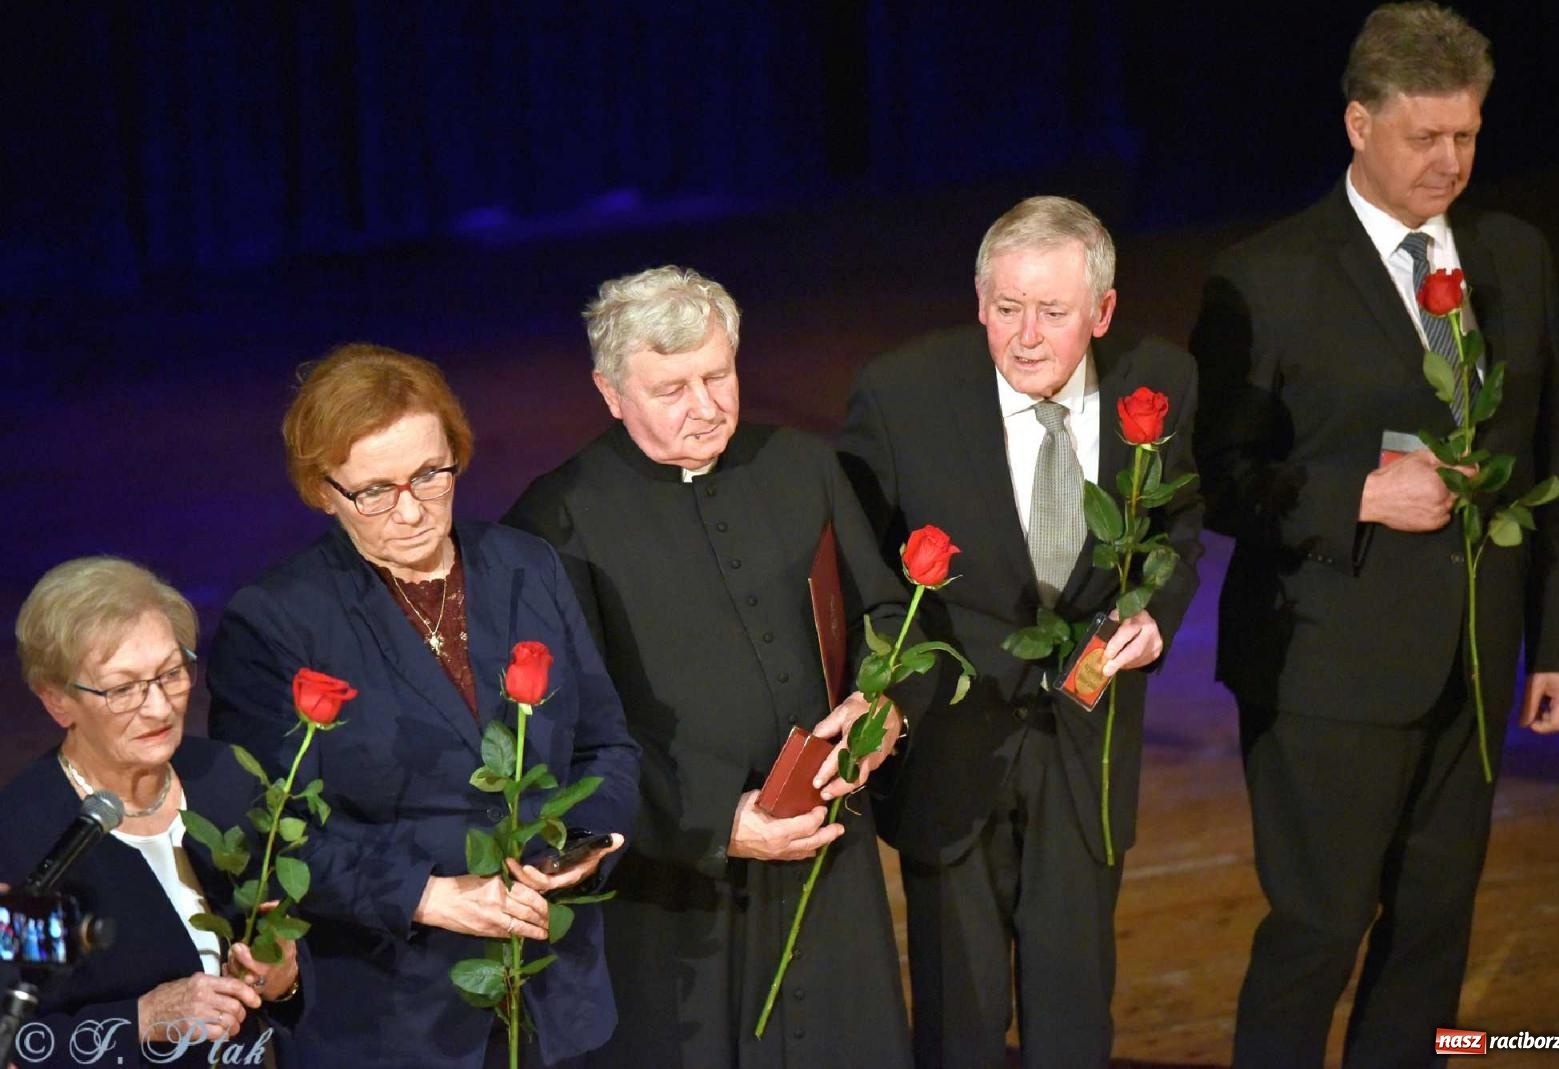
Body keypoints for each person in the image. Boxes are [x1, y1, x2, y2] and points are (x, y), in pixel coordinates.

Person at [1189, 4, 1559, 1065]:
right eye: (1425, 137)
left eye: (1467, 135)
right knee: (1317, 933)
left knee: (1431, 934)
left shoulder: (1512, 255)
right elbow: (1212, 479)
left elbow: (1547, 452)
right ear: (1358, 124)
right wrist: (1358, 495)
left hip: (1470, 657)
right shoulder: (1264, 276)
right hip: (1325, 667)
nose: (1449, 161)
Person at [502, 266, 917, 1069]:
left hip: (824, 850)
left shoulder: (802, 464)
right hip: (675, 883)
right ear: (610, 392)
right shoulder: (556, 519)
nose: (707, 406)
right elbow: (571, 730)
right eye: (672, 389)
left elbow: (886, 616)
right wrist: (716, 821)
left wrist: (885, 706)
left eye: (718, 375)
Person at [839, 195, 1203, 1067]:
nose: (1026, 335)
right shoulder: (900, 395)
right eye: (1007, 309)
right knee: (959, 1016)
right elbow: (865, 574)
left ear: (1102, 312)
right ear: (978, 301)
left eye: (1052, 311)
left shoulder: (1161, 383)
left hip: (1087, 745)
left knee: (1074, 1004)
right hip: (953, 752)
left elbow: (1176, 528)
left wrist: (1156, 615)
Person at [206, 344, 640, 1069]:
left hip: (555, 999)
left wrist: (584, 846)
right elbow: (266, 825)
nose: (410, 509)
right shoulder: (276, 620)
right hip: (394, 1016)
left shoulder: (526, 566)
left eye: (430, 475)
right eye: (374, 491)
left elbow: (606, 746)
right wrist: (425, 895)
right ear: (322, 489)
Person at [0, 557, 302, 1067]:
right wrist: (142, 1019)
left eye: (171, 673)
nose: (160, 708)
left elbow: (292, 966)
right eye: (123, 688)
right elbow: (18, 1043)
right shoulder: (30, 837)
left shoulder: (226, 777)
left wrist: (284, 981)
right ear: (57, 702)